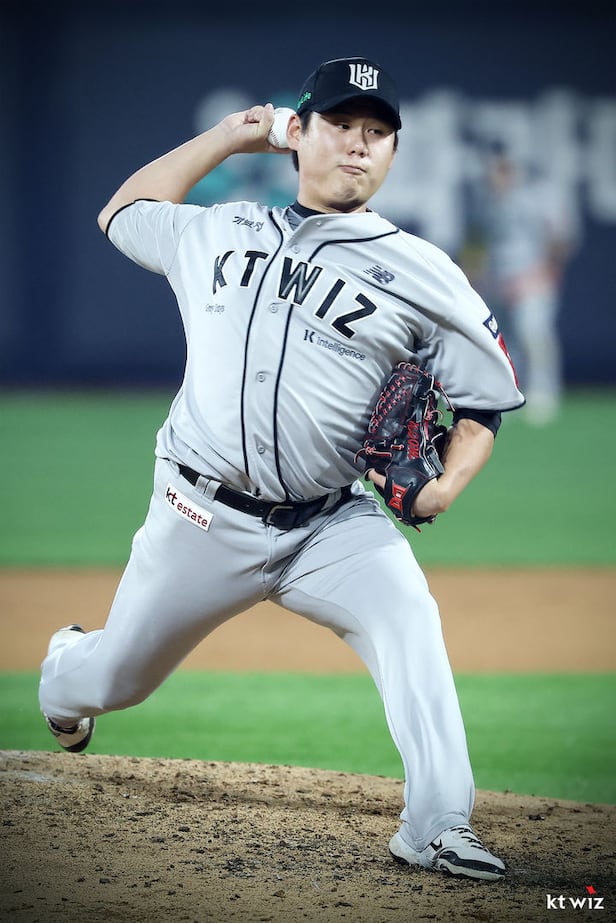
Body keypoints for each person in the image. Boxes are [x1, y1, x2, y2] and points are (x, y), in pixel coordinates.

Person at [39, 56, 524, 882]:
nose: (360, 144)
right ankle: (63, 672)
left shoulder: (425, 273)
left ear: (393, 153)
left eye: (378, 132)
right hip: (200, 515)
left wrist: (447, 482)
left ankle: (438, 823)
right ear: (297, 132)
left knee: (409, 616)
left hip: (333, 524)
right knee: (116, 677)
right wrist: (232, 136)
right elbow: (122, 212)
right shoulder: (219, 231)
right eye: (341, 124)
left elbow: (484, 404)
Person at [460, 150, 575, 424]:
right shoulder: (484, 203)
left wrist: (547, 271)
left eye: (504, 170)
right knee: (503, 341)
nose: (498, 177)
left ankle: (543, 392)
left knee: (533, 334)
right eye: (495, 171)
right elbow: (474, 244)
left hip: (531, 280)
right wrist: (472, 278)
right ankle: (511, 395)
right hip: (497, 281)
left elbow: (559, 239)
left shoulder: (535, 200)